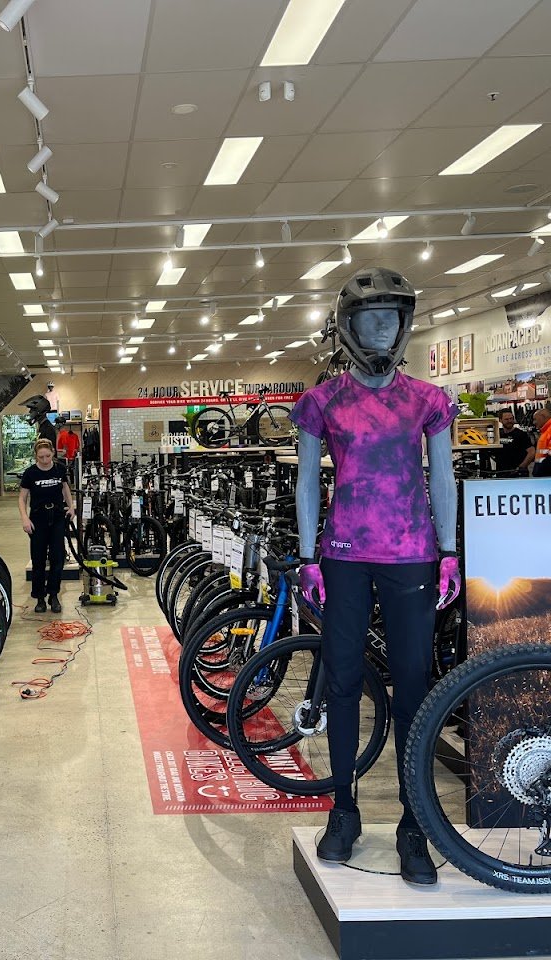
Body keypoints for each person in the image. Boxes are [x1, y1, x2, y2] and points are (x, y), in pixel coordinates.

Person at [292, 267, 460, 888]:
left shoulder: (428, 401)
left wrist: (449, 550)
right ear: (350, 327)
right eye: (371, 320)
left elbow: (441, 477)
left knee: (414, 686)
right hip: (344, 555)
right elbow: (307, 481)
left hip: (412, 554)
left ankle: (415, 823)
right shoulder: (322, 402)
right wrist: (308, 556)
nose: (382, 330)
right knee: (341, 683)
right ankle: (343, 808)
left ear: (405, 325)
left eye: (391, 319)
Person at [18, 439, 75, 613]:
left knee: (57, 558)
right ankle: (40, 597)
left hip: (57, 517)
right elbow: (22, 498)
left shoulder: (59, 469)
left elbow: (65, 489)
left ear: (53, 454)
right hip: (38, 519)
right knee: (38, 559)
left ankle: (54, 595)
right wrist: (25, 518)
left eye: (48, 456)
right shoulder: (30, 473)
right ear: (36, 456)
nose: (45, 460)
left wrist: (71, 506)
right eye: (41, 457)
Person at [491, 408, 535, 475]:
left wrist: (521, 466)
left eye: (511, 418)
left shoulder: (521, 434)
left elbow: (531, 451)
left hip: (518, 473)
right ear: (500, 420)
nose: (509, 421)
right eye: (506, 419)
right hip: (501, 473)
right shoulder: (497, 434)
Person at [532, 408, 551, 477]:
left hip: (546, 476)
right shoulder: (546, 431)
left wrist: (540, 470)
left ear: (543, 417)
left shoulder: (549, 431)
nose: (534, 422)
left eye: (535, 419)